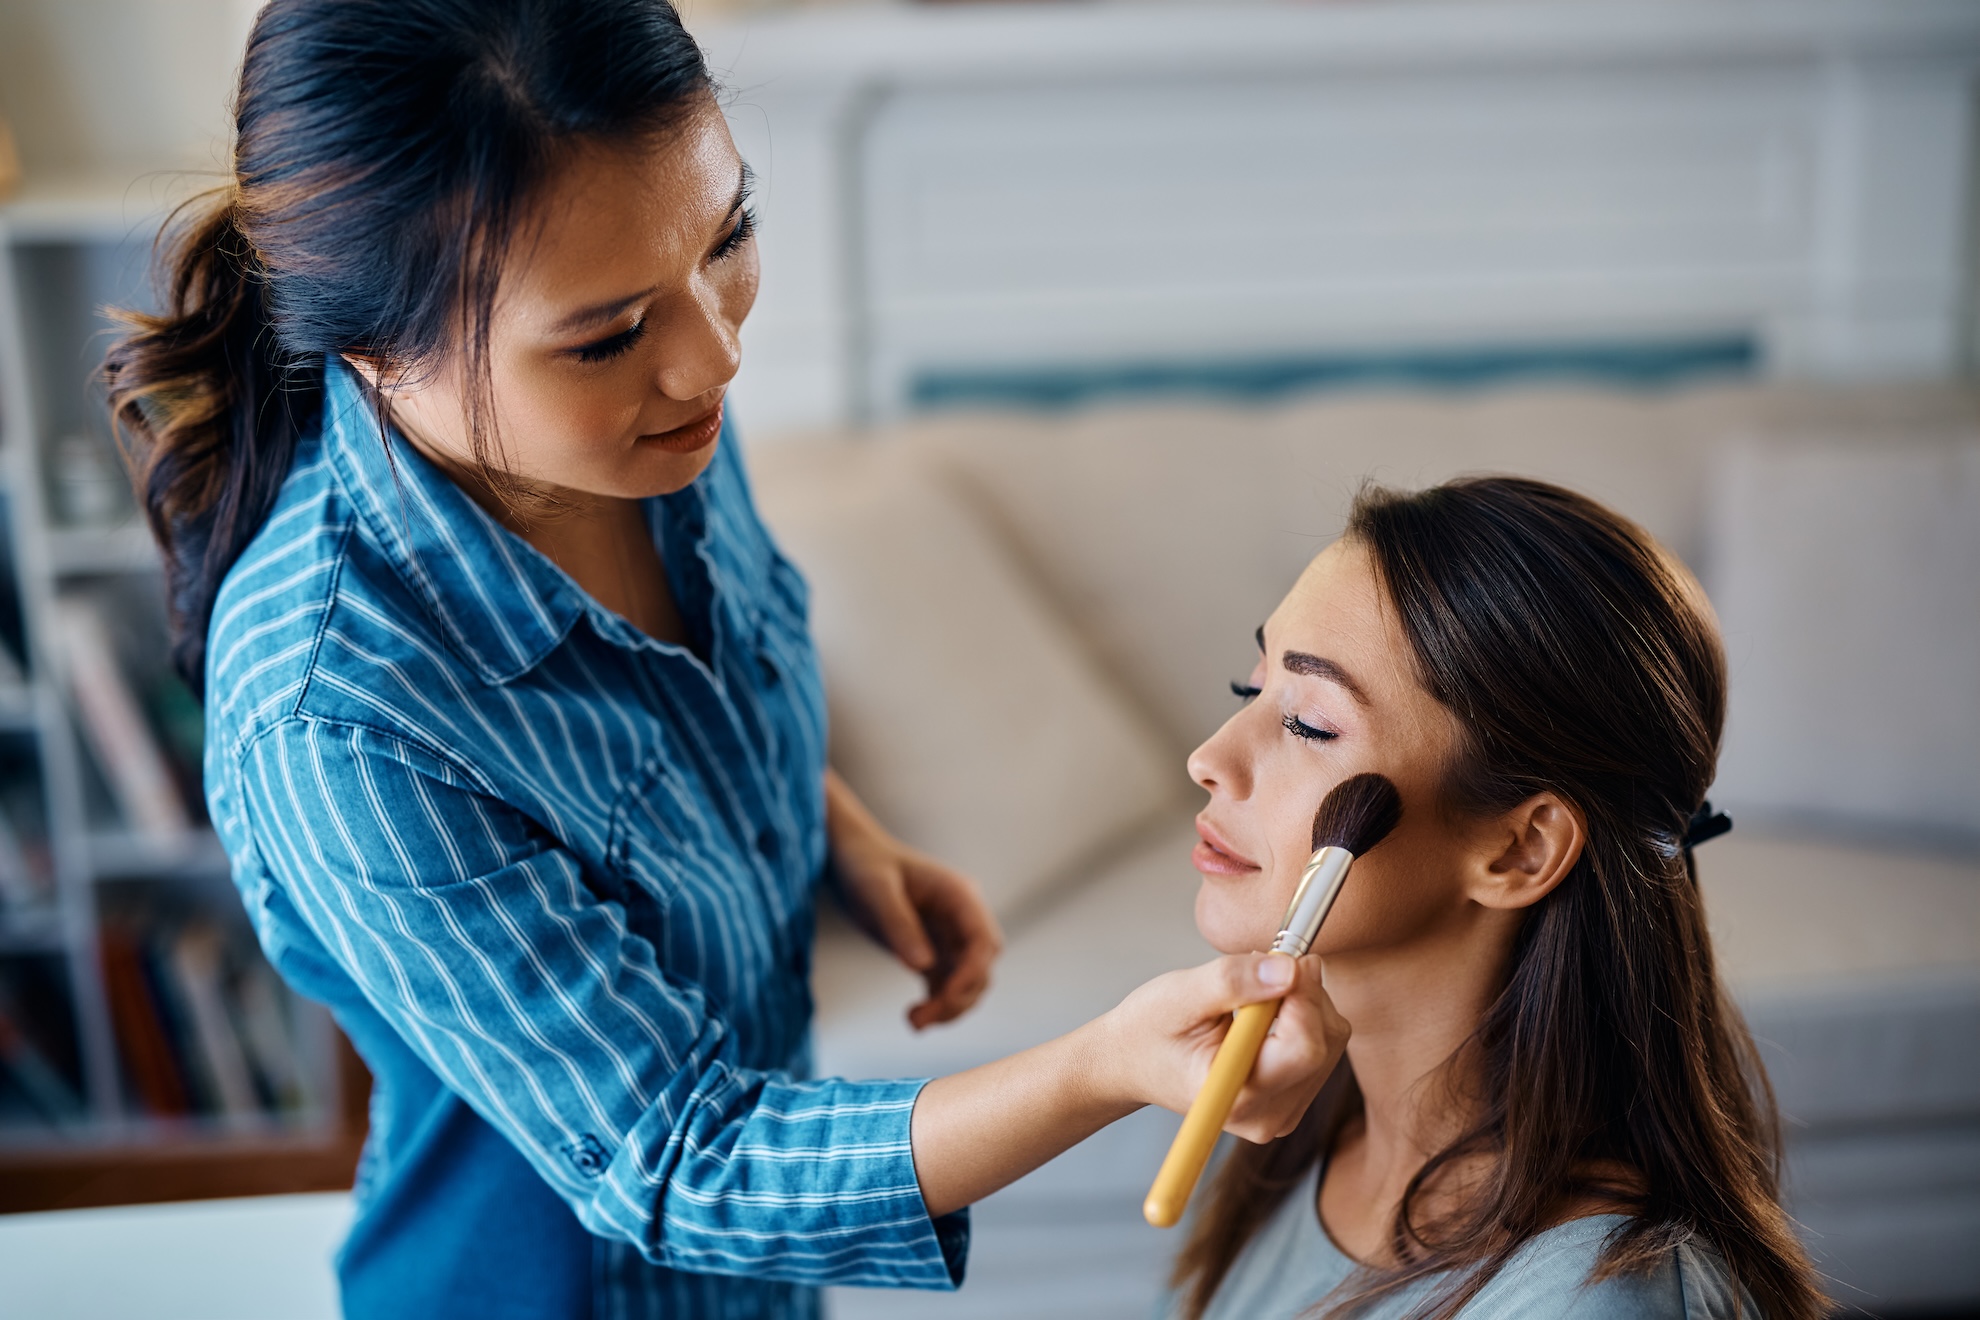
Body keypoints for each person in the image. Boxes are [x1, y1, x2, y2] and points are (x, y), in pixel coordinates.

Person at [102, 3, 1346, 1316]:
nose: (715, 355)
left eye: (728, 237)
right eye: (607, 335)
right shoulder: (335, 717)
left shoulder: (650, 426)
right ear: (375, 351)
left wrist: (835, 832)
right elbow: (681, 1154)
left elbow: (686, 706)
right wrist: (1104, 1066)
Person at [1165, 477, 1827, 1319]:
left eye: (1311, 724)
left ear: (1521, 850)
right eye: (1250, 690)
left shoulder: (1587, 1303)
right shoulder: (1282, 1122)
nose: (1208, 757)